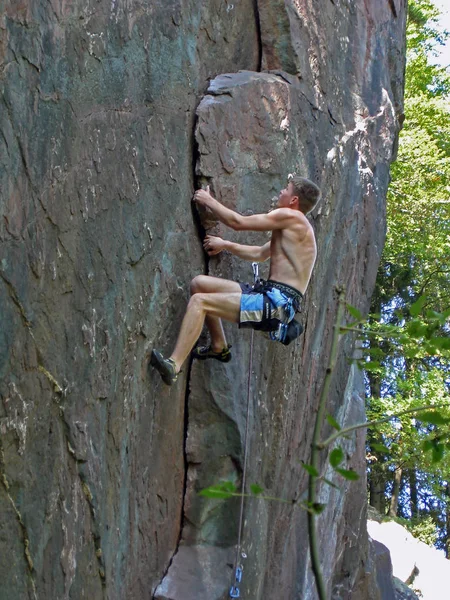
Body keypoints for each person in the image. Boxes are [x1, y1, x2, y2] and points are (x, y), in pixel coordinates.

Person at [150, 175, 321, 385]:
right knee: (199, 285)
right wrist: (225, 244)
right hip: (271, 299)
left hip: (274, 306)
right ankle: (219, 346)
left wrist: (208, 200)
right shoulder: (295, 229)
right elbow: (259, 253)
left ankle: (173, 365)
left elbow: (238, 222)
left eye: (286, 189)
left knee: (200, 302)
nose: (281, 192)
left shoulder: (291, 217)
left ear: (293, 200)